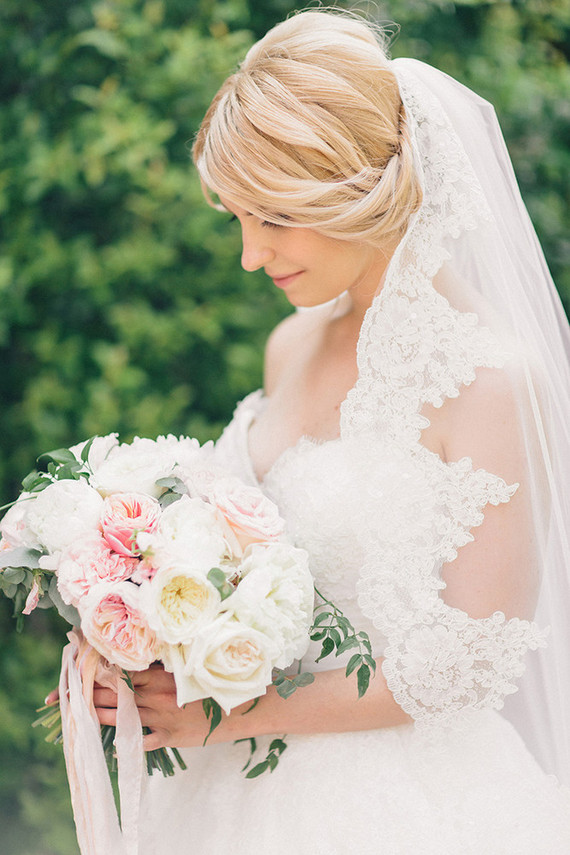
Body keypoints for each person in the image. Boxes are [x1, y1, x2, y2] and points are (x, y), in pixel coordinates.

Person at [93, 9, 570, 853]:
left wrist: (237, 712)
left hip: (402, 807)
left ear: (358, 188)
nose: (251, 255)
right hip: (229, 787)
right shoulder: (289, 343)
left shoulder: (492, 381)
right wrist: (149, 639)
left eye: (274, 218)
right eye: (238, 219)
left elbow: (469, 663)